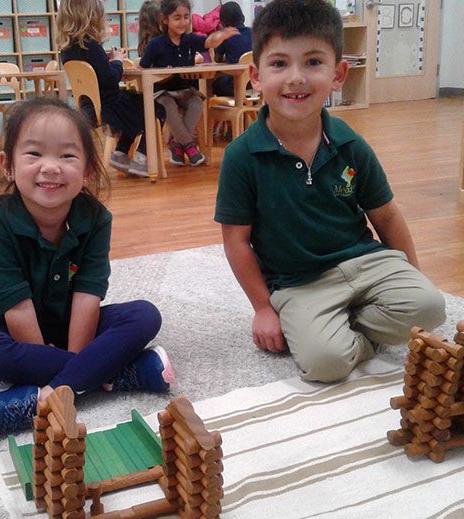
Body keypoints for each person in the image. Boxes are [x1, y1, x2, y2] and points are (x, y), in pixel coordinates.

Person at [214, 0, 446, 383]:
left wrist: (413, 274)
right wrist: (263, 309)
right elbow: (236, 242)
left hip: (366, 262)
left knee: (430, 308)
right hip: (298, 282)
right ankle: (337, 331)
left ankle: (340, 325)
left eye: (313, 62)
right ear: (256, 75)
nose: (296, 78)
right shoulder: (242, 156)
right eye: (279, 64)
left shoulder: (350, 144)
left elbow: (386, 215)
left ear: (338, 74)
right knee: (325, 363)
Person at [0, 98, 175, 442]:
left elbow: (88, 293)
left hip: (76, 327)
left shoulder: (95, 217)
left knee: (144, 315)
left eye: (67, 156)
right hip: (14, 331)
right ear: (7, 166)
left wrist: (65, 378)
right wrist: (80, 366)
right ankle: (117, 372)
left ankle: (43, 397)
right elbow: (15, 307)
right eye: (33, 154)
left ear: (89, 170)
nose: (51, 167)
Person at [58, 0, 159, 177]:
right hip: (111, 106)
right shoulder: (92, 46)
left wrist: (107, 61)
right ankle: (142, 158)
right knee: (154, 108)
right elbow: (111, 79)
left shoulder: (68, 49)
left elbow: (97, 72)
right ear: (93, 16)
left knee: (137, 103)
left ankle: (121, 154)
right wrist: (118, 60)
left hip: (89, 105)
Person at [139, 0, 240, 167]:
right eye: (177, 18)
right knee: (167, 106)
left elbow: (209, 42)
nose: (183, 22)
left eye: (186, 17)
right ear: (165, 19)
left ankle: (177, 145)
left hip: (185, 91)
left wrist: (220, 35)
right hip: (162, 93)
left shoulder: (190, 40)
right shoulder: (156, 44)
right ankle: (189, 146)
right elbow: (143, 67)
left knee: (197, 103)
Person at [212, 1, 253, 97]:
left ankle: (217, 110)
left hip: (234, 84)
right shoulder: (253, 33)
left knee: (214, 85)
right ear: (243, 18)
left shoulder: (225, 36)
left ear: (222, 23)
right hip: (254, 82)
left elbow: (217, 59)